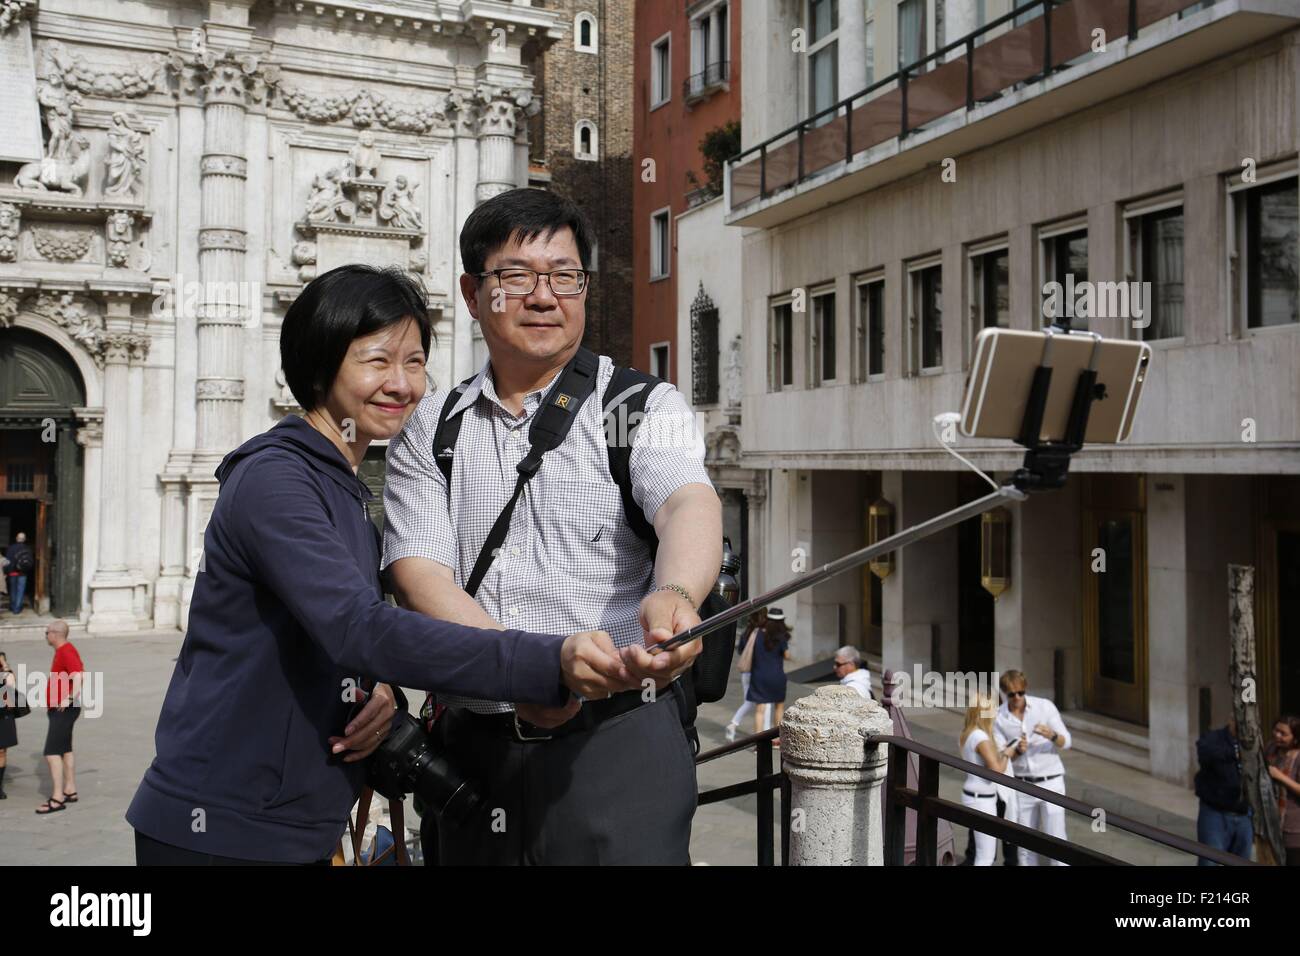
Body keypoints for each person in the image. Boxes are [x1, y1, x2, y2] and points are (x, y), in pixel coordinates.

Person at [125, 264, 639, 865]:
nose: (403, 384)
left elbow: (331, 639)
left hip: (288, 825)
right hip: (219, 827)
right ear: (320, 366)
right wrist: (545, 662)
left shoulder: (341, 487)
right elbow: (358, 626)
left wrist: (377, 693)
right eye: (377, 361)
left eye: (416, 361)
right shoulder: (276, 479)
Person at [382, 187, 718, 865]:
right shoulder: (430, 427)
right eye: (516, 277)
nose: (544, 296)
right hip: (474, 748)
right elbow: (419, 575)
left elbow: (687, 501)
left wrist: (677, 595)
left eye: (565, 276)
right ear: (473, 294)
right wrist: (524, 670)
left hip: (619, 739)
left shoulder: (640, 405)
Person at [994, 668, 1071, 865]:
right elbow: (1000, 758)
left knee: (1057, 842)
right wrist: (1018, 751)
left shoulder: (1044, 707)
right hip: (1022, 785)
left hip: (1051, 781)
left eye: (1021, 692)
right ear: (1005, 694)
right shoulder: (1000, 717)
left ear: (1025, 689)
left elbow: (1067, 742)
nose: (1017, 697)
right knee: (1025, 847)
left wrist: (1051, 735)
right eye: (1012, 694)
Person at [959, 693, 1021, 865]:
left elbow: (985, 763)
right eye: (992, 710)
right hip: (982, 800)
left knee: (981, 853)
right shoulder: (981, 737)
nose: (995, 714)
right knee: (985, 856)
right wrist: (1007, 753)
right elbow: (997, 772)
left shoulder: (967, 733)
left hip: (974, 794)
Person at [35, 621, 82, 814]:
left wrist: (68, 698)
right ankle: (70, 789)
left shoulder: (66, 651)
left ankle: (57, 798)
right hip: (65, 709)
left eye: (46, 632)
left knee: (51, 752)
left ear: (54, 634)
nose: (45, 636)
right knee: (65, 750)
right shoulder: (64, 650)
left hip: (63, 710)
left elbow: (78, 676)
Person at [1194, 717, 1253, 865]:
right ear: (1231, 720)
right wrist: (1236, 753)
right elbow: (1205, 753)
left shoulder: (1254, 743)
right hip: (1215, 813)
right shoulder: (1213, 739)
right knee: (1209, 861)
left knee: (1241, 860)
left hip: (1244, 814)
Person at [747, 607, 790, 736]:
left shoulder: (757, 633)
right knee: (779, 707)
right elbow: (787, 655)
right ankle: (776, 740)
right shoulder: (782, 637)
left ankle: (758, 740)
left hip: (759, 675)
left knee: (760, 710)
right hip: (777, 676)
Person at [725, 609, 765, 742]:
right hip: (758, 672)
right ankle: (764, 733)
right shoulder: (762, 633)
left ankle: (733, 724)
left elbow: (741, 649)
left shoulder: (746, 631)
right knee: (764, 703)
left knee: (748, 702)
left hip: (746, 672)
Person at [1266, 714, 1300, 866]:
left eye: (1283, 734)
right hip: (1271, 823)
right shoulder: (1271, 749)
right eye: (1276, 730)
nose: (1277, 735)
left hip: (1294, 830)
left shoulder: (1298, 757)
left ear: (1296, 737)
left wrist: (1280, 776)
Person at [0, 651, 16, 799]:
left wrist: (5, 667)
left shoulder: (7, 676)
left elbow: (10, 700)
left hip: (3, 715)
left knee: (1, 751)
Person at [5, 533, 33, 615]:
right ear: (24, 539)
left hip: (13, 572)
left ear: (17, 538)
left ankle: (13, 606)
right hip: (23, 573)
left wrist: (7, 572)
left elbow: (7, 562)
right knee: (20, 590)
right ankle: (17, 609)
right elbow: (30, 562)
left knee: (13, 590)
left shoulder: (11, 548)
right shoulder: (28, 548)